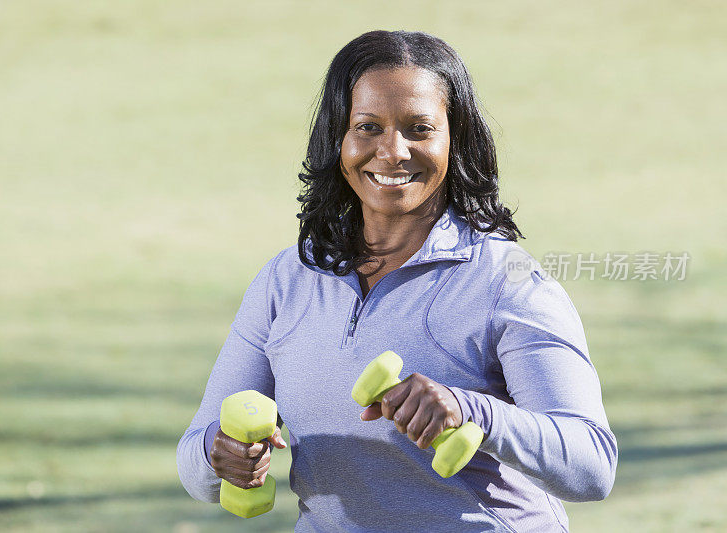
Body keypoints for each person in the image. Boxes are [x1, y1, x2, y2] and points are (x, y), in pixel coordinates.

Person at [177, 30, 617, 532]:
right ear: (337, 140)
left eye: (419, 128)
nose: (392, 151)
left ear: (455, 140)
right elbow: (194, 463)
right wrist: (223, 456)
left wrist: (471, 410)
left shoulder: (508, 282)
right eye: (367, 127)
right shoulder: (288, 280)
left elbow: (591, 466)